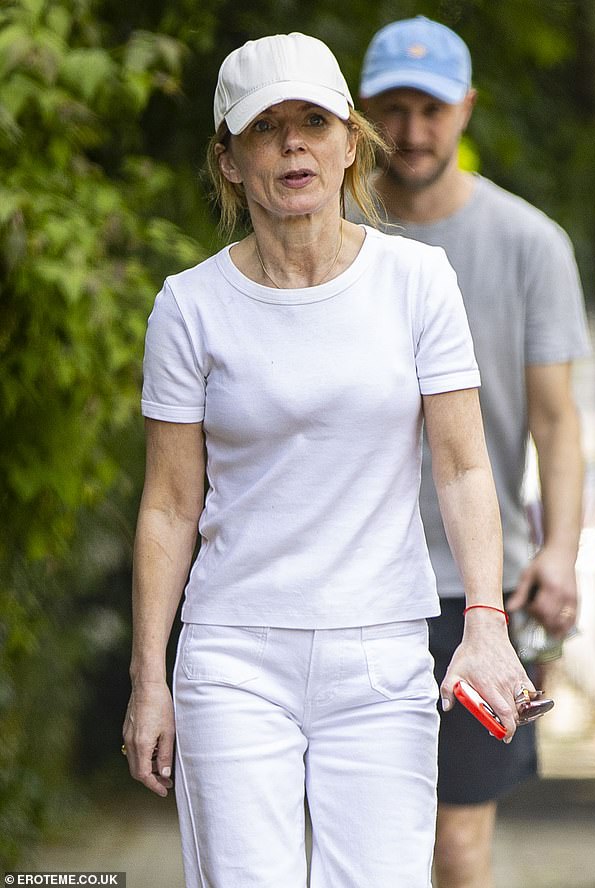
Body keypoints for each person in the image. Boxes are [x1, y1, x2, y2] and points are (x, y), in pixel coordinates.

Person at [122, 31, 533, 888]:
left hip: (381, 649)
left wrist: (486, 624)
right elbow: (167, 506)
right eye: (265, 127)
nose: (292, 143)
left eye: (314, 119)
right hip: (233, 654)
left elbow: (463, 469)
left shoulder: (419, 282)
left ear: (352, 140)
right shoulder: (189, 308)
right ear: (230, 160)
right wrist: (147, 678)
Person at [357, 16, 591, 888]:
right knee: (362, 848)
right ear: (363, 115)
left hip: (476, 590)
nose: (413, 131)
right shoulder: (325, 235)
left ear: (467, 108)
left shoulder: (530, 242)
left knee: (456, 848)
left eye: (432, 108)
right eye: (394, 109)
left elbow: (557, 422)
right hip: (350, 584)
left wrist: (561, 551)